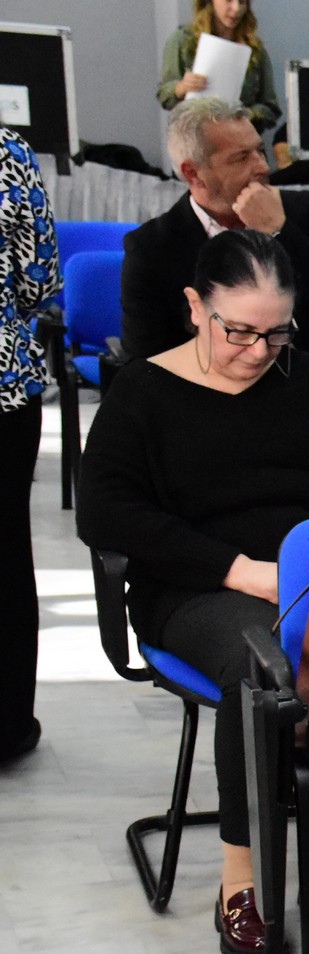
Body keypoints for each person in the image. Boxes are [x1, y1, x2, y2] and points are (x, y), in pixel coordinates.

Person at [77, 231, 309, 954]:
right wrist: (238, 569)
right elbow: (106, 514)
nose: (259, 352)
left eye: (277, 332)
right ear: (195, 307)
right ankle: (243, 880)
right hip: (197, 587)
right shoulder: (143, 390)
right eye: (239, 332)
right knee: (262, 668)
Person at [121, 98, 309, 361]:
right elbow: (143, 364)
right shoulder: (152, 247)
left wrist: (278, 231)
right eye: (242, 158)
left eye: (260, 151)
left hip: (303, 377)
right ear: (192, 173)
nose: (262, 167)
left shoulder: (301, 210)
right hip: (206, 383)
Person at [0, 128, 56, 763]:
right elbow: (38, 279)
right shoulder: (8, 153)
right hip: (4, 385)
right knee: (7, 556)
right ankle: (7, 723)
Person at [158, 0, 282, 136]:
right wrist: (181, 87)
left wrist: (248, 114)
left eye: (242, 2)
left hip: (240, 138)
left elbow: (271, 108)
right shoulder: (183, 40)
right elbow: (164, 96)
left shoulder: (254, 48)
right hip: (197, 138)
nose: (236, 9)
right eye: (228, 1)